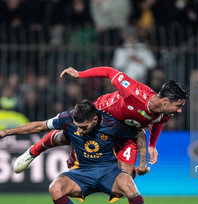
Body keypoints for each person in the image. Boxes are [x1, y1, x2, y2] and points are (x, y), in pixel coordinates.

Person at [0, 99, 164, 204]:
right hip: (82, 172)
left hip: (109, 171)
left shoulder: (112, 124)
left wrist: (142, 163)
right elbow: (39, 126)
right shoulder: (67, 118)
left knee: (130, 185)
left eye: (83, 127)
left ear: (94, 119)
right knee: (55, 188)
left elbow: (139, 133)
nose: (79, 130)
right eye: (77, 126)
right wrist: (7, 132)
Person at [14, 66, 188, 177]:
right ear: (166, 101)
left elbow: (158, 122)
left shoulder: (165, 113)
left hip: (123, 130)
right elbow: (109, 72)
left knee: (126, 179)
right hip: (102, 115)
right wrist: (80, 74)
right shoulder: (134, 92)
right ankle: (33, 151)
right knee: (65, 137)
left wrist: (151, 145)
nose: (179, 110)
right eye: (178, 106)